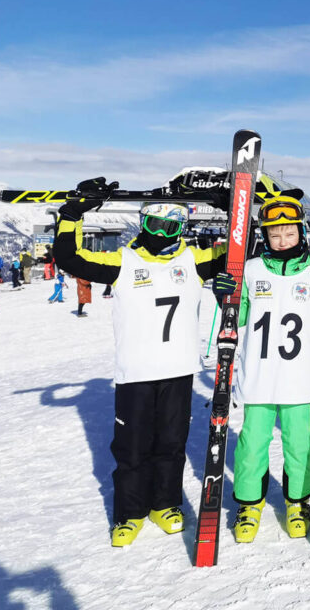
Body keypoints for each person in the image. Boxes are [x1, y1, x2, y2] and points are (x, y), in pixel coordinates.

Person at [54, 181, 227, 547]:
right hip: (136, 372)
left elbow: (245, 250)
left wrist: (235, 209)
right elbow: (70, 258)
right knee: (131, 446)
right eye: (153, 225)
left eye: (170, 227)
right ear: (142, 224)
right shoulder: (122, 260)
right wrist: (73, 214)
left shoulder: (194, 260)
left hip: (179, 371)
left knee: (171, 442)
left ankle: (165, 504)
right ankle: (129, 512)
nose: (161, 234)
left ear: (181, 229)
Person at [212, 193, 310, 544]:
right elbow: (234, 319)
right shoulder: (252, 269)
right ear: (264, 236)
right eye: (274, 234)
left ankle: (297, 502)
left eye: (288, 233)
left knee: (299, 443)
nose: (282, 240)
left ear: (300, 232)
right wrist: (224, 296)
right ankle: (249, 504)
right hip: (257, 374)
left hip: (299, 377)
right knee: (251, 444)